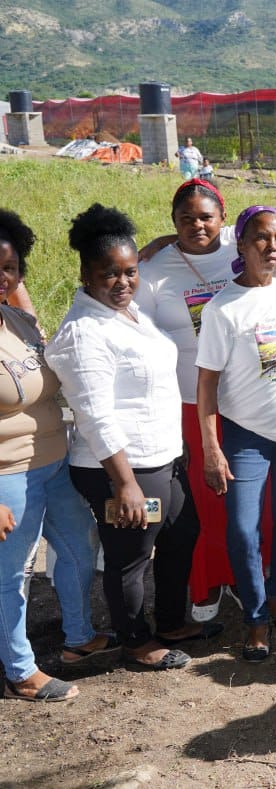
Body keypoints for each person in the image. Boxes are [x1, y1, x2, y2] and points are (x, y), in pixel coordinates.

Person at [46, 204, 211, 671]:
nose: (122, 282)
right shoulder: (84, 333)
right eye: (109, 274)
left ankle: (171, 621)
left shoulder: (128, 312)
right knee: (130, 556)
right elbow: (95, 415)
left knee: (181, 534)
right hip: (123, 466)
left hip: (162, 457)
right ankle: (136, 643)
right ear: (86, 274)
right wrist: (124, 484)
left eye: (130, 271)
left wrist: (174, 442)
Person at [0, 209, 115, 702]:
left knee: (78, 547)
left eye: (9, 267)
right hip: (8, 475)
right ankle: (19, 670)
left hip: (54, 462)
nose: (3, 277)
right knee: (11, 575)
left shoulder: (15, 319)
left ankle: (79, 637)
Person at [195, 207, 276, 663]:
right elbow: (206, 383)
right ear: (242, 245)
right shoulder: (222, 309)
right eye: (262, 238)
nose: (272, 247)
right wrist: (211, 448)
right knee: (244, 531)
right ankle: (256, 618)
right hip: (247, 436)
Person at [136, 178, 250, 623]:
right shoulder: (153, 270)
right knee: (205, 499)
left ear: (224, 218)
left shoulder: (241, 248)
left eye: (206, 217)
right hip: (188, 403)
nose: (197, 225)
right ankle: (209, 582)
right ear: (173, 221)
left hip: (246, 398)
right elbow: (139, 340)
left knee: (247, 493)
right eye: (185, 219)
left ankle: (246, 573)